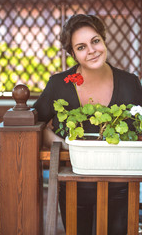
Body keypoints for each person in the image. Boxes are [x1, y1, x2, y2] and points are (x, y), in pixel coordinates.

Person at [33, 14, 142, 235]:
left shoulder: (130, 83)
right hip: (74, 187)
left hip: (122, 186)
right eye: (81, 47)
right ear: (73, 54)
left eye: (95, 41)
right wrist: (63, 144)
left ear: (103, 40)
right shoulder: (59, 85)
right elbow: (36, 125)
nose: (91, 50)